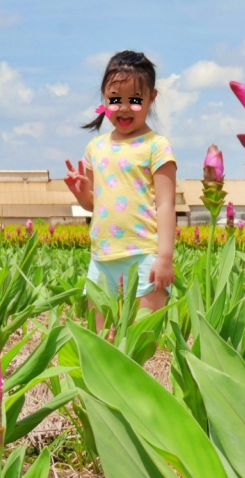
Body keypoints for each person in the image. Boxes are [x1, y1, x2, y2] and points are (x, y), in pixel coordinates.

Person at [64, 51, 177, 329]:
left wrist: (164, 258)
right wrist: (81, 194)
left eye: (135, 100)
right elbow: (94, 204)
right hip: (102, 258)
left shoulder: (156, 146)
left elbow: (165, 205)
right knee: (102, 342)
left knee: (139, 343)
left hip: (144, 257)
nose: (124, 108)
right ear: (104, 98)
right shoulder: (96, 148)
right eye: (115, 99)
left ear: (152, 98)